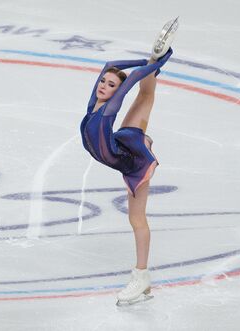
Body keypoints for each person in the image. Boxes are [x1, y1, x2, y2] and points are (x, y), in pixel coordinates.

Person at [79, 18, 178, 306]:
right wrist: (148, 58)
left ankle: (142, 277)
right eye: (103, 82)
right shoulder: (93, 104)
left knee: (136, 219)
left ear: (114, 93)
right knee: (147, 95)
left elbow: (132, 79)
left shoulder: (109, 109)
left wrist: (158, 63)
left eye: (110, 85)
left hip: (133, 162)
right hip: (125, 140)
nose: (104, 86)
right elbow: (112, 62)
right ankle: (155, 60)